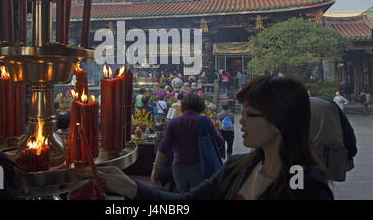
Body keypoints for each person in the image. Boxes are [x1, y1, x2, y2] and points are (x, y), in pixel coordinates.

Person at [98, 75, 334, 200]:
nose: (242, 121)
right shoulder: (238, 167)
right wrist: (131, 188)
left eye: (250, 115)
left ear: (279, 122)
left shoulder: (303, 182)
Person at [151, 94, 223, 193]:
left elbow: (163, 148)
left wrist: (155, 170)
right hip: (199, 167)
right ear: (200, 106)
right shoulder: (205, 120)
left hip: (179, 169)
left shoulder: (173, 123)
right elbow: (219, 142)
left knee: (183, 196)